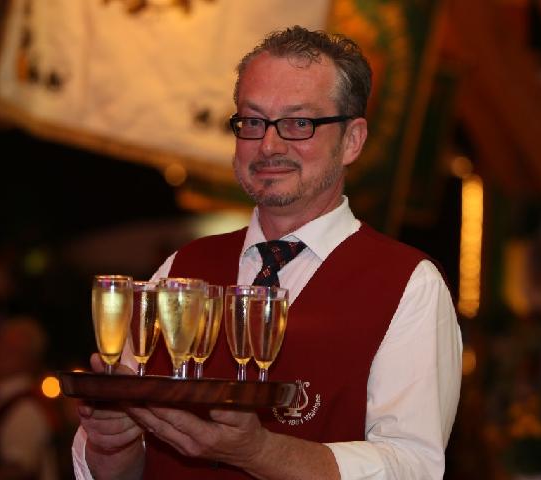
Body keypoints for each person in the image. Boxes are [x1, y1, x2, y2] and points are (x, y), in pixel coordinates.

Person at [73, 25, 462, 479]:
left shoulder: (408, 284)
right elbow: (116, 468)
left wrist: (259, 451)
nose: (269, 145)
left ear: (352, 141)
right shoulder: (183, 268)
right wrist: (110, 445)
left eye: (299, 123)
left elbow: (413, 467)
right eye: (253, 122)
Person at [0, 316, 58, 480]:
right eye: (0, 344)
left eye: (10, 350)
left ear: (29, 359)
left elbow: (18, 470)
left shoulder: (26, 408)